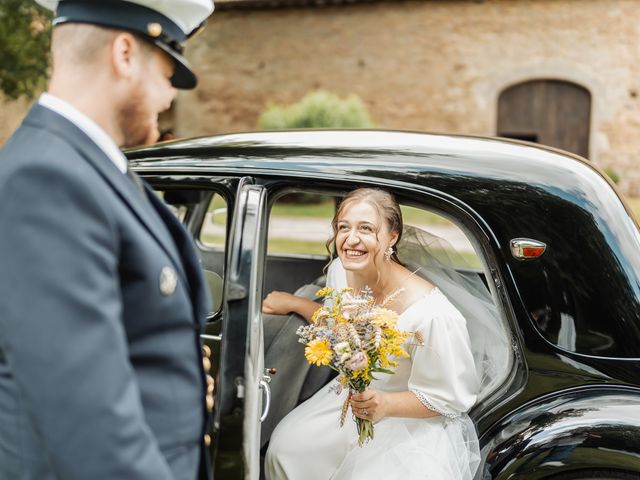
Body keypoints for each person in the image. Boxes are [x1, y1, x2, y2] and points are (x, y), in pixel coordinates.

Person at [0, 1, 215, 479]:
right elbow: (88, 421)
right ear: (123, 54)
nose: (167, 97)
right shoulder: (46, 177)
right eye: (167, 72)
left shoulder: (84, 164)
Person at [263, 188, 481, 479]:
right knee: (285, 451)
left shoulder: (433, 315)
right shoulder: (342, 270)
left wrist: (386, 404)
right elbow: (340, 325)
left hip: (406, 422)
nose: (351, 240)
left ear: (393, 236)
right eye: (343, 227)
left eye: (366, 228)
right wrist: (295, 303)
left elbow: (448, 400)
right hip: (349, 399)